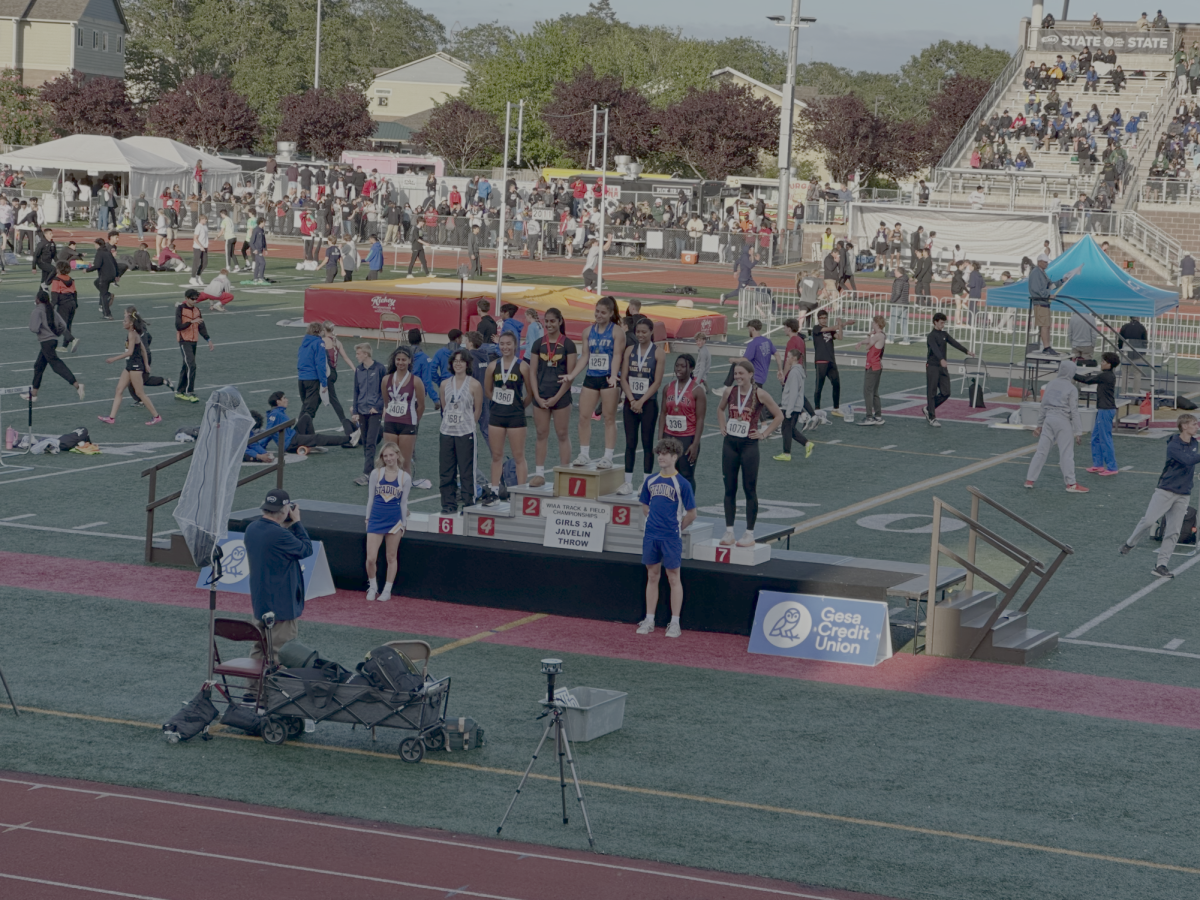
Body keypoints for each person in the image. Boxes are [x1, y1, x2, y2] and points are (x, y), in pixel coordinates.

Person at [1120, 414, 1200, 578]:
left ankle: (1161, 565)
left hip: (1183, 493)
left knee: (1174, 531)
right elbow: (1187, 460)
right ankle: (1130, 543)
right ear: (1184, 426)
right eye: (1194, 424)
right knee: (1149, 520)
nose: (1197, 426)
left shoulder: (1194, 443)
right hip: (1166, 490)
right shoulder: (1173, 445)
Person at [634, 438, 698, 639]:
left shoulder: (682, 484)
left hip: (671, 538)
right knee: (652, 576)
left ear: (674, 457)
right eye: (659, 453)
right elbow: (645, 506)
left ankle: (675, 623)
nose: (661, 457)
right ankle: (649, 619)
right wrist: (654, 522)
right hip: (651, 535)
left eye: (665, 454)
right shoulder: (651, 480)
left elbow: (692, 513)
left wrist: (677, 528)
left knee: (673, 577)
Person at [717, 361, 783, 547]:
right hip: (730, 444)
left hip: (749, 445)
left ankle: (749, 533)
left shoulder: (759, 394)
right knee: (729, 488)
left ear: (751, 374)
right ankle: (729, 531)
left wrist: (763, 434)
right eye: (736, 373)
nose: (738, 377)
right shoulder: (729, 392)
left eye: (741, 373)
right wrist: (722, 425)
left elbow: (779, 416)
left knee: (749, 488)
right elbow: (720, 409)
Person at [244, 489, 312, 662]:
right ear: (284, 511)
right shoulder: (279, 534)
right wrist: (296, 522)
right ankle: (275, 689)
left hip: (260, 602)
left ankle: (252, 689)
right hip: (281, 605)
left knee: (259, 649)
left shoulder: (252, 529)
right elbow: (306, 549)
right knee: (282, 652)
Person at [568, 296, 625, 468]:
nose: (598, 315)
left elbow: (617, 355)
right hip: (591, 378)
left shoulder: (617, 332)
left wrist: (614, 375)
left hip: (608, 378)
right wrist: (572, 375)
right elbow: (585, 356)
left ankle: (608, 456)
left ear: (610, 313)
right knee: (584, 416)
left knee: (609, 418)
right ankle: (584, 453)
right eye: (597, 311)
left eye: (603, 312)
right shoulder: (588, 332)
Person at [526, 307, 577, 487]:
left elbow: (570, 376)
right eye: (546, 321)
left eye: (552, 321)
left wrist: (556, 397)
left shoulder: (568, 344)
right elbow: (532, 372)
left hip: (560, 396)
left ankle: (564, 474)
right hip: (541, 395)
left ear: (560, 321)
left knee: (562, 434)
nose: (549, 324)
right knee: (541, 434)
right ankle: (539, 474)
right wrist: (537, 396)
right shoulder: (538, 343)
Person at [619, 318, 667, 496]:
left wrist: (640, 401)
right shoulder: (630, 350)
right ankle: (627, 482)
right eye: (637, 332)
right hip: (630, 403)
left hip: (648, 404)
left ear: (651, 332)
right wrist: (632, 400)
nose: (640, 335)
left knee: (647, 443)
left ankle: (646, 483)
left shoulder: (659, 353)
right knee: (630, 442)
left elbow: (657, 382)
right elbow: (623, 377)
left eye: (644, 332)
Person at [1024, 360, 1088, 492]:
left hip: (1048, 419)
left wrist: (1039, 424)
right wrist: (1078, 431)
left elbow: (1043, 405)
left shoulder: (1051, 384)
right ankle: (1071, 483)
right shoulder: (1071, 388)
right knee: (1066, 452)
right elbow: (1074, 410)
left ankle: (1030, 479)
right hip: (1063, 420)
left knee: (1041, 451)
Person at [482, 331, 530, 504]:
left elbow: (530, 393)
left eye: (508, 344)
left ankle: (521, 493)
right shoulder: (493, 366)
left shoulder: (523, 366)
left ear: (515, 345)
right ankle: (495, 491)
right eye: (502, 344)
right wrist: (498, 403)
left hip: (516, 417)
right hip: (496, 416)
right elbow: (487, 391)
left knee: (518, 456)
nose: (505, 347)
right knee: (497, 455)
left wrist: (519, 406)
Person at [96, 307, 161, 425]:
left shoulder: (132, 334)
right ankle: (111, 418)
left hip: (135, 367)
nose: (123, 322)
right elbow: (143, 349)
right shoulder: (133, 333)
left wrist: (113, 359)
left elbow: (130, 352)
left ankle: (156, 416)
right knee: (119, 389)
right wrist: (146, 364)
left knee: (140, 393)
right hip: (130, 365)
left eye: (125, 321)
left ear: (131, 323)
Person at [364, 442, 412, 602]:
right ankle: (372, 586)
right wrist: (367, 518)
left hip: (394, 521)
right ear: (382, 458)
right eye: (385, 456)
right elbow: (370, 498)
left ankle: (387, 590)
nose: (389, 458)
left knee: (391, 557)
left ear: (397, 455)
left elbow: (404, 503)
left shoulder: (405, 477)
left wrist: (404, 524)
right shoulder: (376, 474)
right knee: (371, 558)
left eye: (391, 455)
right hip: (376, 518)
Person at [438, 348, 482, 513]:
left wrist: (469, 424)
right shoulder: (444, 384)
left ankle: (468, 502)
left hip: (466, 433)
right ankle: (448, 504)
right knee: (446, 470)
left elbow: (477, 409)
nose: (458, 364)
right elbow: (444, 407)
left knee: (466, 470)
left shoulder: (474, 384)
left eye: (461, 361)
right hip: (447, 432)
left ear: (467, 364)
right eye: (455, 361)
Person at [23, 290, 83, 403]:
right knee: (38, 366)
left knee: (55, 364)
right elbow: (63, 325)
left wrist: (42, 329)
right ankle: (34, 393)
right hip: (53, 340)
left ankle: (77, 384)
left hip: (45, 342)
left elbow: (34, 328)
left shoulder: (37, 311)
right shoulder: (51, 310)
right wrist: (56, 332)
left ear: (38, 300)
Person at [658, 353, 706, 490]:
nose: (678, 369)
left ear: (690, 368)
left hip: (687, 438)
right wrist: (660, 438)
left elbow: (700, 419)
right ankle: (671, 507)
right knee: (667, 473)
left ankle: (688, 509)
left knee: (686, 475)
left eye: (683, 366)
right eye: (677, 365)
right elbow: (663, 413)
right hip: (669, 436)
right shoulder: (668, 388)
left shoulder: (697, 391)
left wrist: (695, 444)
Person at [924, 312, 975, 427]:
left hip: (942, 367)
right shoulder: (931, 336)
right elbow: (935, 349)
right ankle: (932, 417)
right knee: (931, 392)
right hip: (932, 366)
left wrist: (967, 351)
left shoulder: (944, 334)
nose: (943, 325)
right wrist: (941, 359)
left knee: (946, 392)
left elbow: (954, 343)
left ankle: (928, 408)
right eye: (941, 323)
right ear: (935, 322)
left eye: (944, 323)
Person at [380, 346, 425, 475]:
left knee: (405, 464)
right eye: (398, 359)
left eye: (404, 360)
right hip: (390, 422)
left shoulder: (416, 381)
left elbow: (421, 405)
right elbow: (386, 401)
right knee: (390, 462)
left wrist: (415, 421)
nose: (400, 362)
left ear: (410, 361)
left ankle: (404, 492)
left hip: (407, 423)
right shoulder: (386, 380)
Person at [1075, 352, 1119, 476]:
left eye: (1104, 361)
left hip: (1106, 410)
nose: (1102, 363)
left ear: (1109, 364)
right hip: (1103, 409)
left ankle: (1112, 467)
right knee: (1096, 438)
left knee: (1105, 438)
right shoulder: (1107, 375)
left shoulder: (1106, 376)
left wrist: (1071, 373)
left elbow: (1087, 380)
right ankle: (1098, 464)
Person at [351, 343, 386, 486]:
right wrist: (355, 410)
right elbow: (356, 391)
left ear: (366, 354)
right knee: (365, 441)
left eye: (358, 353)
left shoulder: (380, 369)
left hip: (374, 412)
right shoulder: (358, 370)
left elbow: (384, 390)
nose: (357, 356)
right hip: (362, 410)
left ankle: (367, 472)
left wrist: (378, 406)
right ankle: (373, 470)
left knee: (371, 442)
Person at [175, 289, 214, 403]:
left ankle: (180, 391)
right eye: (192, 299)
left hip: (194, 341)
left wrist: (208, 339)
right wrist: (191, 322)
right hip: (184, 341)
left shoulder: (197, 310)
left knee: (186, 366)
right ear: (187, 298)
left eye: (196, 298)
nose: (195, 301)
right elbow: (178, 326)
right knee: (191, 365)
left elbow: (201, 326)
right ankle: (189, 391)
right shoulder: (180, 309)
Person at [774, 348, 812, 461]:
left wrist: (789, 410)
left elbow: (794, 392)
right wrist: (782, 381)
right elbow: (791, 388)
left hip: (792, 407)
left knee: (787, 429)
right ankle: (806, 444)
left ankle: (787, 453)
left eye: (788, 357)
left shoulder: (794, 372)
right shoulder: (796, 371)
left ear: (794, 358)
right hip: (794, 406)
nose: (787, 358)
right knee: (789, 429)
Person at [321, 322, 356, 439]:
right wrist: (354, 369)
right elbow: (346, 358)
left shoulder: (323, 341)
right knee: (320, 398)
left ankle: (344, 423)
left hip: (327, 373)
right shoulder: (337, 342)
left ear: (324, 330)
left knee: (333, 399)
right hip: (334, 373)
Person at [1029, 257, 1067, 354]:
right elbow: (1036, 289)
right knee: (1045, 325)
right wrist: (1048, 295)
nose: (1046, 264)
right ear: (1039, 262)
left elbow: (1050, 286)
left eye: (1047, 262)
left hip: (1043, 302)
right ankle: (1046, 347)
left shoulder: (1042, 272)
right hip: (1040, 302)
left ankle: (1047, 346)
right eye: (1045, 262)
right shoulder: (1036, 272)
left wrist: (1061, 281)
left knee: (1046, 325)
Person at [811, 310, 846, 413]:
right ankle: (817, 409)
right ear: (818, 319)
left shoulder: (831, 331)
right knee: (819, 386)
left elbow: (840, 337)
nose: (824, 320)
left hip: (831, 361)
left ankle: (836, 408)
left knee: (836, 384)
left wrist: (840, 327)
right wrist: (841, 324)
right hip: (821, 361)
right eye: (822, 318)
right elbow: (832, 327)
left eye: (825, 318)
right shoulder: (816, 328)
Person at [856, 314, 887, 425]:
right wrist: (862, 341)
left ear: (877, 324)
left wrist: (868, 337)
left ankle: (869, 417)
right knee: (874, 392)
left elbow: (868, 346)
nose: (872, 325)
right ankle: (878, 416)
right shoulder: (881, 335)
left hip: (873, 366)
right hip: (876, 365)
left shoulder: (878, 336)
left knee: (868, 391)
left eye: (873, 323)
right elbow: (869, 340)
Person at [296, 322, 330, 421]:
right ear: (319, 331)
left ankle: (303, 432)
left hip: (301, 378)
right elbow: (320, 364)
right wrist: (324, 382)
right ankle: (300, 432)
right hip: (312, 379)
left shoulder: (303, 343)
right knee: (309, 410)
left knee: (306, 407)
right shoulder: (319, 343)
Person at [49, 260, 80, 354]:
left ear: (58, 269)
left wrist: (50, 307)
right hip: (72, 303)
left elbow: (55, 296)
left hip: (63, 304)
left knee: (60, 324)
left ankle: (72, 339)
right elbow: (75, 293)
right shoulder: (71, 279)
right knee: (68, 325)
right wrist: (75, 304)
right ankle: (64, 346)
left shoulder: (56, 280)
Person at [87, 234, 119, 320]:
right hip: (111, 275)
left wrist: (87, 270)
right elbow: (115, 263)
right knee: (96, 283)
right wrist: (117, 275)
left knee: (103, 295)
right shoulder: (107, 252)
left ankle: (107, 314)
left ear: (97, 244)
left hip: (104, 276)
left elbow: (97, 265)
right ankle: (108, 295)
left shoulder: (99, 253)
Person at [1118, 316, 1148, 396]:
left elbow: (1120, 340)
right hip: (1138, 353)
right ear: (1138, 318)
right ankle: (1136, 393)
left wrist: (1120, 349)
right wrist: (1143, 352)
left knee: (1125, 373)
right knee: (1137, 373)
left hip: (1126, 352)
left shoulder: (1125, 326)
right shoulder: (1142, 327)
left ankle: (1123, 392)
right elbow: (1145, 342)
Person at [889, 266, 911, 344]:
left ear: (899, 272)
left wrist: (892, 301)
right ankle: (906, 339)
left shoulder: (899, 281)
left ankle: (890, 338)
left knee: (893, 321)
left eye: (895, 271)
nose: (894, 272)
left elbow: (897, 293)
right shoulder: (906, 280)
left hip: (898, 303)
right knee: (904, 322)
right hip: (904, 303)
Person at [188, 214, 209, 286]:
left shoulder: (205, 226)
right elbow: (195, 238)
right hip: (198, 247)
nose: (206, 220)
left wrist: (204, 246)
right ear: (201, 219)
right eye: (205, 219)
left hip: (205, 246)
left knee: (205, 263)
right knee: (196, 263)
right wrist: (200, 246)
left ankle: (198, 276)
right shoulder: (198, 227)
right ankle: (192, 278)